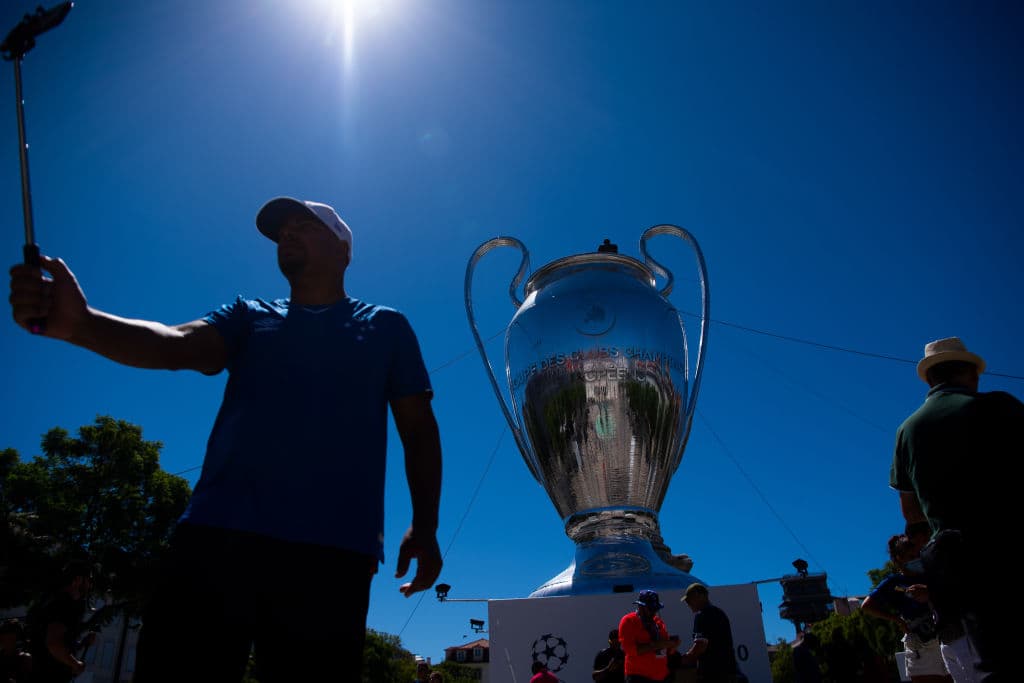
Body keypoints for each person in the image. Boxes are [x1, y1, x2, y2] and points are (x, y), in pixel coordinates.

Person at [9, 197, 444, 682]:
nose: (288, 235)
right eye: (282, 232)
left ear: (344, 249)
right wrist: (83, 325)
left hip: (332, 554)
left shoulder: (386, 327)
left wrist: (425, 525)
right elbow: (177, 343)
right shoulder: (248, 315)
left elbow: (419, 430)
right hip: (215, 541)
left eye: (304, 225)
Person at [890, 337, 1022, 678]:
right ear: (969, 374)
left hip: (954, 563)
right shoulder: (997, 407)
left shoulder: (907, 430)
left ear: (930, 378)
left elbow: (912, 513)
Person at [861, 534, 951, 683]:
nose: (916, 559)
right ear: (898, 559)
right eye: (911, 556)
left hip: (944, 635)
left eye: (918, 554)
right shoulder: (894, 582)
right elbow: (867, 606)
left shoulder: (930, 574)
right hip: (919, 642)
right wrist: (896, 619)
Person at [24, 561, 97, 683]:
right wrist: (75, 664)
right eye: (89, 580)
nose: (90, 586)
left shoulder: (52, 601)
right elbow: (54, 643)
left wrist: (82, 643)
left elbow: (54, 642)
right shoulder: (65, 604)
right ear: (78, 579)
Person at [678, 583, 739, 683]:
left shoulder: (702, 615)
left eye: (689, 600)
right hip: (729, 672)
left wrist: (684, 659)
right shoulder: (720, 613)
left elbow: (701, 645)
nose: (688, 604)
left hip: (712, 674)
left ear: (700, 596)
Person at [618, 590, 680, 683]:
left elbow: (665, 649)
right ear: (640, 606)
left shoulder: (658, 622)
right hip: (638, 676)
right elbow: (630, 650)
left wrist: (672, 645)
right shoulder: (629, 621)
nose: (654, 612)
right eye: (650, 609)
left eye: (656, 609)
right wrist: (657, 645)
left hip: (662, 675)